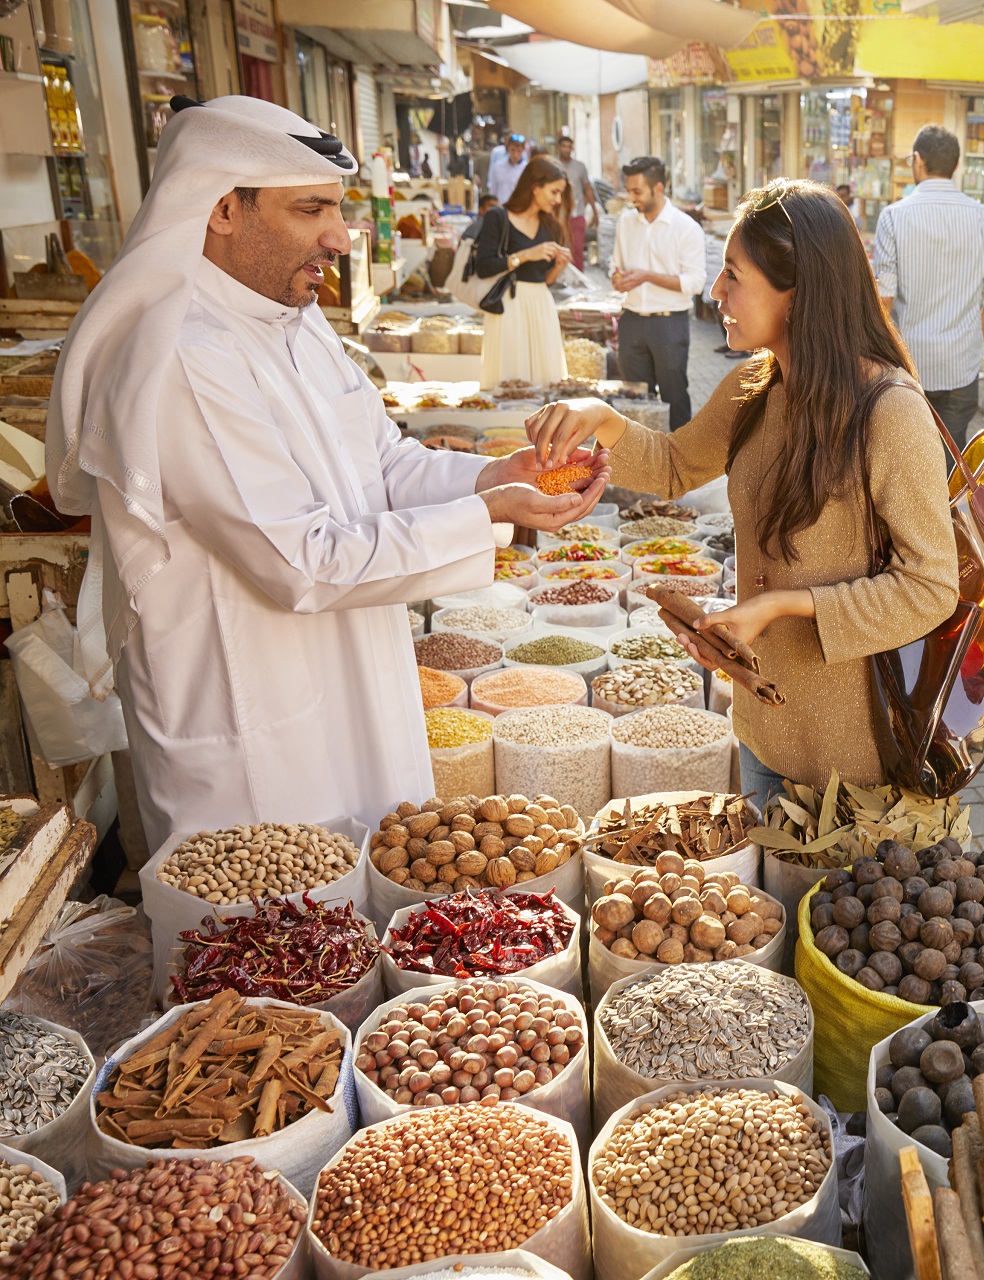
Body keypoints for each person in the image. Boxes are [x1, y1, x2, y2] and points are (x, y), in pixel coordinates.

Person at [44, 94, 608, 841]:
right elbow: (300, 562)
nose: (340, 238)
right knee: (266, 943)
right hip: (254, 724)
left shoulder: (293, 318)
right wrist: (489, 515)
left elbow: (383, 462)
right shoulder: (182, 357)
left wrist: (495, 477)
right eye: (311, 211)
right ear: (221, 210)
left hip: (352, 685)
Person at [524, 179, 960, 808]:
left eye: (733, 274)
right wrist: (600, 416)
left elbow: (930, 587)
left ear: (800, 290)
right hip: (760, 729)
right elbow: (674, 466)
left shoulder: (888, 412)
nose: (714, 292)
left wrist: (784, 606)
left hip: (856, 758)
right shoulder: (757, 385)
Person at [871, 125, 984, 443]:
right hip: (962, 368)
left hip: (909, 368)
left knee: (907, 460)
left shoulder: (892, 217)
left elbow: (884, 301)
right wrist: (968, 344)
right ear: (956, 166)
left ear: (918, 161)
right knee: (952, 460)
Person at [610, 156, 705, 428]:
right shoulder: (625, 222)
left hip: (669, 323)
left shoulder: (686, 228)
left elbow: (695, 283)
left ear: (659, 189)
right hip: (631, 320)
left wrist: (647, 276)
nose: (630, 198)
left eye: (637, 192)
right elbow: (614, 262)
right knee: (634, 400)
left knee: (674, 397)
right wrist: (615, 277)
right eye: (628, 190)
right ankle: (638, 464)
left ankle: (681, 466)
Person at [473, 156, 572, 386]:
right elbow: (484, 268)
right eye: (554, 192)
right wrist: (527, 255)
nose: (558, 200)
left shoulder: (551, 226)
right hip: (508, 306)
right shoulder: (497, 217)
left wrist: (558, 266)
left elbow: (544, 280)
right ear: (536, 187)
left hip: (541, 306)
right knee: (511, 379)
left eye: (561, 194)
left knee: (546, 379)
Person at [555, 134, 598, 269]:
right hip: (558, 215)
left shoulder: (580, 167)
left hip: (577, 214)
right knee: (559, 249)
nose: (567, 150)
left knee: (578, 249)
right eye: (564, 146)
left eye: (569, 147)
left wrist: (595, 212)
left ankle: (579, 281)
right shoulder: (553, 165)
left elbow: (588, 189)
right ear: (558, 148)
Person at [487, 132, 529, 205]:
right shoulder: (498, 167)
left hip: (518, 208)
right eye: (513, 150)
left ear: (523, 151)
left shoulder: (527, 169)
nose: (515, 155)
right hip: (501, 208)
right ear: (508, 149)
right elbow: (493, 190)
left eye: (519, 151)